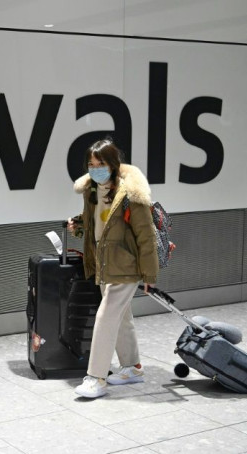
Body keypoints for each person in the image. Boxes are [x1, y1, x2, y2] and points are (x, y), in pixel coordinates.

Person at [67, 138, 159, 399]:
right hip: (105, 263)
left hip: (126, 265)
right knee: (121, 317)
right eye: (91, 164)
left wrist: (149, 274)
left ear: (113, 164)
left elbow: (146, 236)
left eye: (101, 164)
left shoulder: (131, 194)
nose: (95, 169)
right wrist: (79, 225)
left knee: (106, 317)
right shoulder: (93, 191)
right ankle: (132, 367)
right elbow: (98, 225)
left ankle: (96, 377)